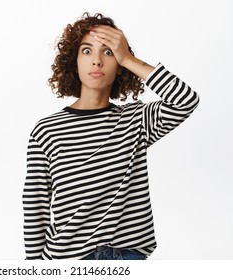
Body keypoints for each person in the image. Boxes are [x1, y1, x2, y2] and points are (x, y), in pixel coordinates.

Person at [22, 12, 199, 260]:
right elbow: (35, 206)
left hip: (127, 259)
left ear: (119, 65)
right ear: (73, 61)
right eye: (86, 51)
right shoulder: (47, 130)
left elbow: (185, 101)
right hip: (68, 261)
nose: (96, 61)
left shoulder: (136, 120)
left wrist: (128, 58)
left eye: (108, 52)